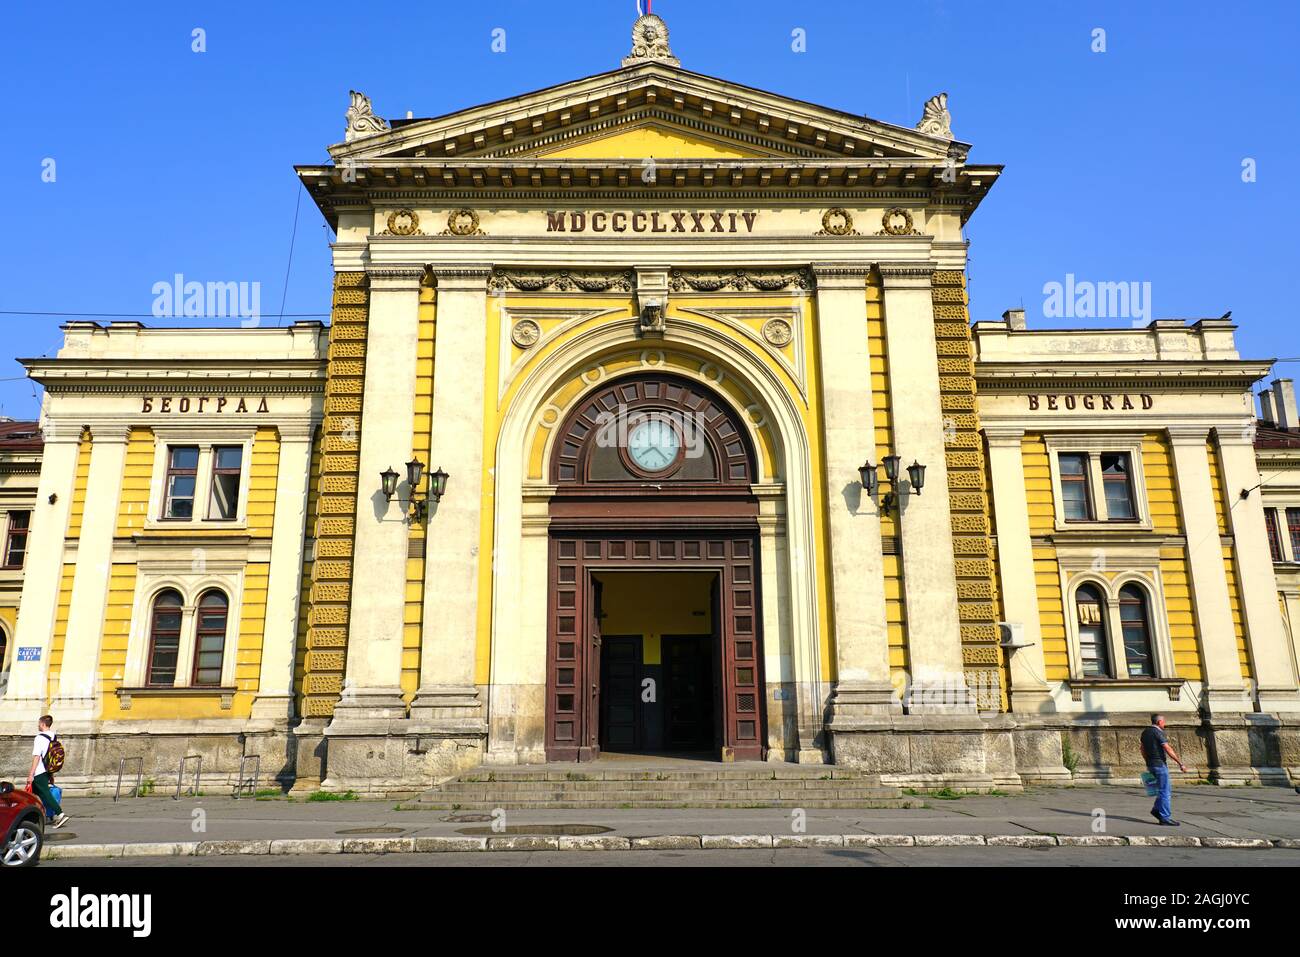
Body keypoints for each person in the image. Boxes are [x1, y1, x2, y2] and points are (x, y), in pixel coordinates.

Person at [1140, 713, 1186, 826]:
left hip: (1151, 765)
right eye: (1164, 722)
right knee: (1165, 791)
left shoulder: (1145, 732)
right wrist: (1180, 763)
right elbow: (1167, 748)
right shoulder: (1158, 732)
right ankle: (1165, 817)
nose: (1164, 724)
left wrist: (1147, 761)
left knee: (1165, 789)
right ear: (1159, 722)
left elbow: (1142, 749)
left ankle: (1156, 810)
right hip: (1160, 765)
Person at [27, 714, 68, 829]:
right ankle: (43, 815)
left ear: (43, 724)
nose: (38, 726)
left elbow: (37, 757)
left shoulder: (39, 738)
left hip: (39, 771)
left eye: (39, 723)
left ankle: (60, 814)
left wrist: (31, 774)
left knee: (44, 793)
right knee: (37, 793)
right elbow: (50, 755)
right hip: (47, 770)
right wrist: (51, 773)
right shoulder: (53, 736)